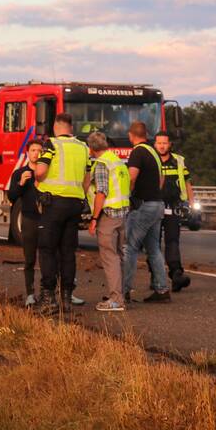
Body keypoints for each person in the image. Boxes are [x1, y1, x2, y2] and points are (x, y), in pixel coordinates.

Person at [34, 112, 92, 314]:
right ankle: (66, 297)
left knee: (47, 249)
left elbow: (41, 171)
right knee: (68, 251)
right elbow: (87, 178)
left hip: (54, 203)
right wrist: (79, 195)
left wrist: (35, 173)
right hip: (75, 203)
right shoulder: (83, 147)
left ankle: (48, 297)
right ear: (71, 127)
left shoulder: (51, 144)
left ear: (56, 127)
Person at [122, 122, 170, 303]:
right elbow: (161, 178)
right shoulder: (154, 152)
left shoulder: (137, 152)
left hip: (143, 206)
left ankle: (123, 291)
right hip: (157, 204)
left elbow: (132, 176)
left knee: (130, 248)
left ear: (131, 135)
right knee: (154, 249)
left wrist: (127, 196)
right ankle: (162, 289)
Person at [86, 131, 130, 312]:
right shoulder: (117, 161)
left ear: (91, 149)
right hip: (122, 214)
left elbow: (101, 192)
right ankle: (121, 293)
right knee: (119, 256)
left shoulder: (102, 164)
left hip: (109, 216)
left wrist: (94, 218)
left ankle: (116, 299)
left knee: (110, 257)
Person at [155, 131, 194, 292]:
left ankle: (176, 274)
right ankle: (156, 278)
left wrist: (191, 204)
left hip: (173, 207)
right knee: (153, 244)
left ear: (170, 144)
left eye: (165, 143)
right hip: (154, 207)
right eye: (159, 143)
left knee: (172, 241)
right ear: (155, 144)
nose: (162, 146)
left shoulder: (178, 160)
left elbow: (187, 184)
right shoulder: (151, 159)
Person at [7, 139, 43, 306]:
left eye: (39, 150)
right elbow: (12, 196)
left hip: (46, 220)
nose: (36, 153)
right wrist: (21, 183)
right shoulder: (20, 172)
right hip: (29, 219)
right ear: (28, 153)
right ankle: (30, 294)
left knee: (47, 258)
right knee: (29, 259)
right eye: (34, 150)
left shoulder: (46, 172)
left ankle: (46, 292)